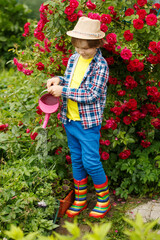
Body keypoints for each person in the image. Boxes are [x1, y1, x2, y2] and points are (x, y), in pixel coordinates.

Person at [47, 16, 110, 218]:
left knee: (91, 161)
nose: (81, 52)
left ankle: (104, 200)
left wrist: (63, 90)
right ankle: (81, 198)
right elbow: (72, 81)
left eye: (86, 48)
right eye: (78, 47)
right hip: (70, 120)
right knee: (76, 159)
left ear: (97, 44)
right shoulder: (74, 59)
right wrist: (59, 80)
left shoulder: (100, 66)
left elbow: (92, 93)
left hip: (87, 123)